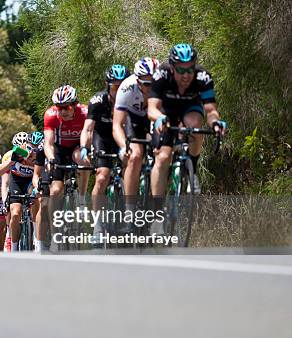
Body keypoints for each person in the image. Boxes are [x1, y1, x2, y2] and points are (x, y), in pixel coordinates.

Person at [147, 43, 227, 233]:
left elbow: (211, 110)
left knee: (195, 127)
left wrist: (216, 122)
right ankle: (157, 214)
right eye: (181, 70)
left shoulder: (203, 77)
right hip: (166, 112)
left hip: (190, 108)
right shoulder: (161, 75)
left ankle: (193, 168)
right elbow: (152, 108)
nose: (186, 75)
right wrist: (159, 119)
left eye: (190, 69)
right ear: (172, 68)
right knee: (163, 157)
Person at [80, 64, 130, 237]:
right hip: (102, 139)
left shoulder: (133, 99)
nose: (118, 90)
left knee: (130, 171)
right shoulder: (97, 101)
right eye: (115, 86)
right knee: (102, 177)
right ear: (107, 85)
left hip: (123, 138)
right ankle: (98, 225)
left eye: (122, 86)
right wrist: (85, 148)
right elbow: (88, 129)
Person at [112, 58, 159, 232]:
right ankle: (130, 213)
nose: (151, 87)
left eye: (154, 83)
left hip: (155, 118)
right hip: (134, 120)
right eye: (147, 84)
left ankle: (157, 213)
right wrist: (124, 146)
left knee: (161, 154)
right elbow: (117, 124)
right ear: (138, 81)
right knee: (135, 156)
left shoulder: (162, 84)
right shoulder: (126, 87)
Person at [44, 84, 91, 204]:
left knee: (83, 160)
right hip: (59, 149)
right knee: (55, 191)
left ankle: (81, 198)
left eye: (66, 107)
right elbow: (48, 143)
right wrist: (51, 159)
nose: (63, 111)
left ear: (75, 104)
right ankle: (54, 222)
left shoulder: (85, 113)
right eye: (59, 107)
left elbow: (91, 134)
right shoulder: (51, 115)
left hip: (77, 146)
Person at [0, 132, 38, 252]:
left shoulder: (35, 153)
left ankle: (35, 234)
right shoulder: (11, 155)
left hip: (30, 180)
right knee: (15, 213)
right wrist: (12, 161)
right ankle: (14, 246)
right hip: (17, 181)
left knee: (34, 199)